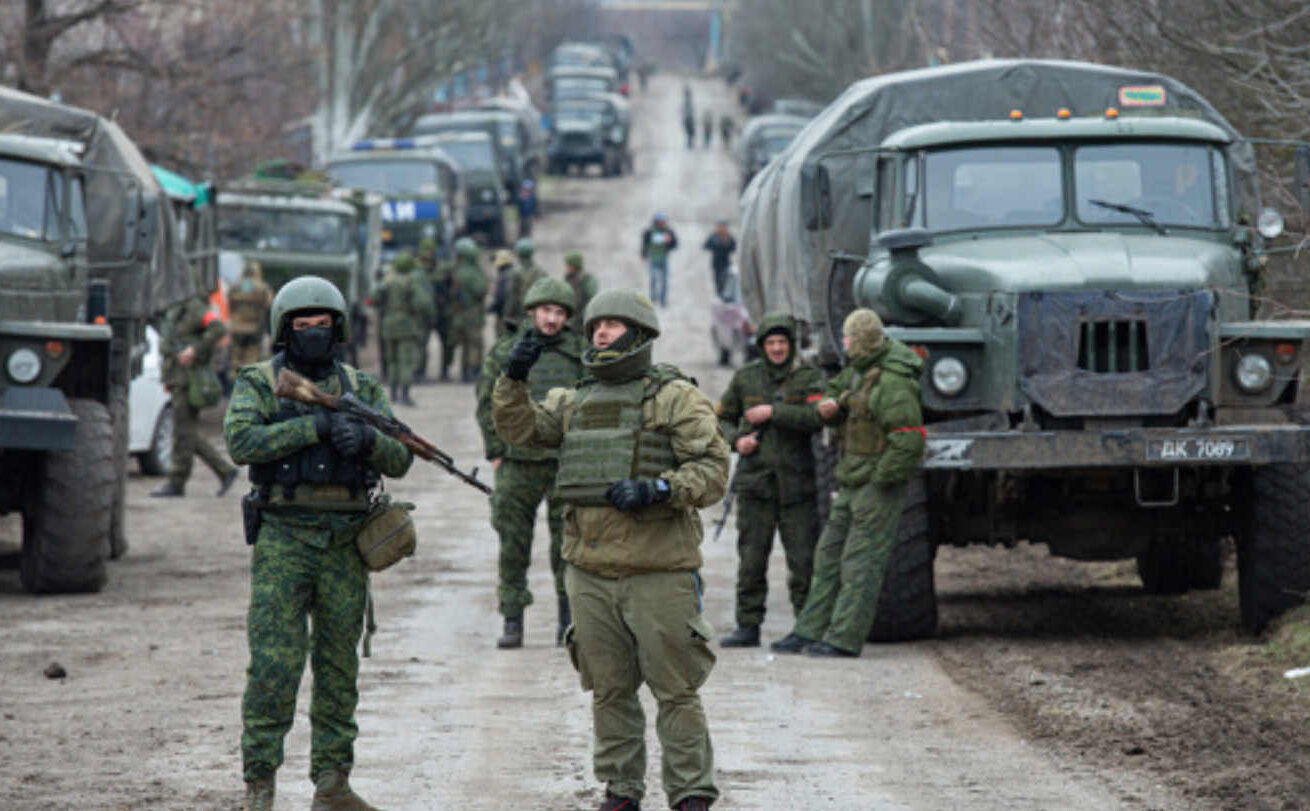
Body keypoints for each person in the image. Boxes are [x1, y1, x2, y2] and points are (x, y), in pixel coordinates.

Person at [492, 288, 728, 811]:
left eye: (613, 325)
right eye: (596, 325)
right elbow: (520, 429)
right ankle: (621, 791)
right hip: (590, 571)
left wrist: (660, 489)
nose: (600, 332)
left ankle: (690, 792)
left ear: (639, 335)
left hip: (659, 570)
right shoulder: (574, 400)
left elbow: (713, 471)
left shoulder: (674, 397)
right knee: (610, 690)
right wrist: (513, 379)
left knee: (675, 690)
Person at [226, 275, 415, 811]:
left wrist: (367, 439)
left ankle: (332, 784)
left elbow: (402, 455)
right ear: (285, 331)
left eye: (322, 324)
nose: (313, 332)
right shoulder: (260, 382)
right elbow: (242, 441)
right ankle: (260, 785)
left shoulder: (361, 386)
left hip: (345, 542)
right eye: (302, 325)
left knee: (338, 668)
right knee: (274, 666)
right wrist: (315, 429)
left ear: (339, 328)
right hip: (284, 539)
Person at [771, 309, 925, 658]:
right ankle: (809, 629)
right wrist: (831, 405)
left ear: (862, 340)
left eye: (848, 337)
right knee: (827, 556)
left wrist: (879, 479)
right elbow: (835, 391)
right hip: (852, 478)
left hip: (874, 485)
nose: (843, 342)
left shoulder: (894, 383)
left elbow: (908, 441)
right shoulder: (857, 371)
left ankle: (844, 638)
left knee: (860, 563)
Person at [476, 278, 587, 649]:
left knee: (568, 545)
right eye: (546, 311)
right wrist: (495, 451)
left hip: (564, 463)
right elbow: (487, 401)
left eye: (559, 313)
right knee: (512, 543)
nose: (552, 319)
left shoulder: (579, 353)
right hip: (517, 463)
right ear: (531, 312)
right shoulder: (508, 350)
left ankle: (568, 621)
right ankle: (512, 619)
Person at [715, 313, 826, 648]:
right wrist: (737, 441)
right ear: (762, 346)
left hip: (797, 487)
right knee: (751, 560)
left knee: (804, 562)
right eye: (771, 343)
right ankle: (747, 626)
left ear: (791, 345)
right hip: (756, 485)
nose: (777, 349)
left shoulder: (807, 377)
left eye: (782, 342)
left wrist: (774, 413)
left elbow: (817, 417)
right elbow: (720, 420)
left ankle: (806, 628)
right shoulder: (746, 378)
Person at [150, 292, 239, 498]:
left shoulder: (192, 306)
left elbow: (218, 328)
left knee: (183, 433)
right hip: (177, 378)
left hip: (189, 380)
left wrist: (194, 350)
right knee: (185, 432)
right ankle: (224, 471)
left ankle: (177, 481)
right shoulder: (173, 307)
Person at [377, 252, 435, 407]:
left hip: (388, 324)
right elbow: (422, 303)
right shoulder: (411, 281)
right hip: (406, 325)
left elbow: (374, 298)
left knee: (392, 360)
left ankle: (393, 394)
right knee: (406, 361)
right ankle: (405, 395)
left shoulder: (387, 280)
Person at [450, 236, 489, 383]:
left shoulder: (457, 271)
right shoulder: (471, 273)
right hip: (472, 312)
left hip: (460, 312)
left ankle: (465, 371)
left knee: (465, 344)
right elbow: (481, 289)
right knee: (474, 343)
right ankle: (473, 371)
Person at [228, 260, 274, 371]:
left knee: (235, 359)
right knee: (251, 360)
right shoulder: (263, 288)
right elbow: (269, 305)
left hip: (236, 328)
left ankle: (234, 379)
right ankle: (247, 379)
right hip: (254, 329)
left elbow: (229, 303)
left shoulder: (234, 287)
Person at [502, 237, 547, 329]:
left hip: (522, 313)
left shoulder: (515, 272)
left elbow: (512, 297)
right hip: (538, 313)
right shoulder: (541, 272)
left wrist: (507, 315)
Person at [639, 213, 678, 308]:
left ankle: (663, 300)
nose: (661, 223)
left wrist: (670, 241)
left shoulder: (668, 232)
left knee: (664, 280)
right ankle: (653, 298)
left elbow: (675, 244)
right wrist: (644, 254)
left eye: (662, 222)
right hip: (653, 258)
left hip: (664, 258)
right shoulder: (649, 231)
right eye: (659, 222)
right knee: (654, 279)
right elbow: (645, 244)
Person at [563, 251, 598, 334]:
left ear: (575, 266)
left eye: (569, 265)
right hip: (572, 316)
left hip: (582, 316)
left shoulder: (587, 279)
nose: (566, 268)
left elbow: (592, 297)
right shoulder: (568, 278)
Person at [701, 220, 736, 299]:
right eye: (720, 226)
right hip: (716, 262)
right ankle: (720, 295)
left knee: (726, 279)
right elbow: (705, 246)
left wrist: (727, 245)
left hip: (726, 262)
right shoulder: (713, 236)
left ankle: (726, 295)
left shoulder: (728, 237)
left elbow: (734, 247)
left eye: (723, 226)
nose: (721, 228)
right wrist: (715, 246)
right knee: (718, 280)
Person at [489, 248, 518, 336]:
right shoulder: (515, 273)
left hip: (504, 315)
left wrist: (493, 307)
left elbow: (501, 298)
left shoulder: (503, 277)